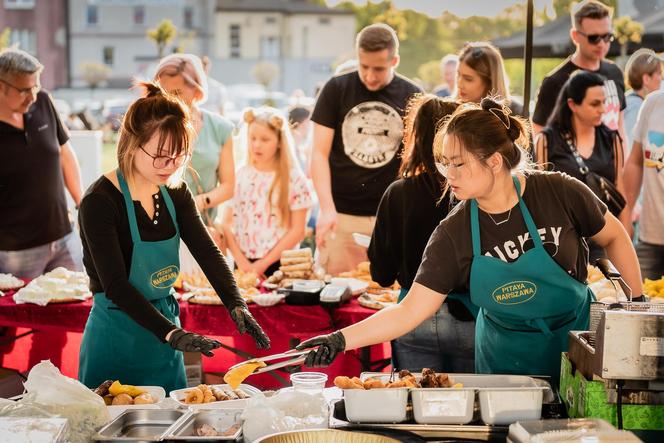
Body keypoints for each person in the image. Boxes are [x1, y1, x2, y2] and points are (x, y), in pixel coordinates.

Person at [297, 98, 643, 385]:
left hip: (576, 345)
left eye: (459, 164)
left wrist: (637, 305)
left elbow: (613, 236)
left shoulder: (558, 191)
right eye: (445, 163)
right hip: (505, 360)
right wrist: (340, 339)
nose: (449, 175)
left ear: (494, 161)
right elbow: (410, 310)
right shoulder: (455, 231)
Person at [77, 83, 270, 393]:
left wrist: (236, 304)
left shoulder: (175, 191)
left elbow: (206, 250)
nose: (170, 166)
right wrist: (170, 334)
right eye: (161, 157)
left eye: (179, 157)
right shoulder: (100, 201)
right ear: (132, 144)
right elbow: (115, 285)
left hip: (165, 329)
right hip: (117, 333)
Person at [369, 94, 475, 372]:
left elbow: (381, 274)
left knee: (412, 406)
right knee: (469, 406)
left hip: (412, 318)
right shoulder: (474, 195)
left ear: (416, 136)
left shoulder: (398, 194)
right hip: (469, 319)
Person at [311, 23, 421, 276]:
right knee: (335, 298)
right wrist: (326, 209)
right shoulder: (336, 89)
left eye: (379, 69)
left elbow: (418, 161)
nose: (370, 76)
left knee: (386, 299)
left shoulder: (413, 95)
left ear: (395, 60)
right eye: (364, 66)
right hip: (341, 216)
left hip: (391, 217)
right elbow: (318, 153)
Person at [0, 48, 83, 278]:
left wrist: (81, 203)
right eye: (24, 89)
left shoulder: (44, 102)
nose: (33, 96)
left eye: (35, 86)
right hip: (15, 253)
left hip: (64, 239)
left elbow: (65, 154)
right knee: (23, 313)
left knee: (80, 309)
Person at [535, 71, 628, 261]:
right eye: (595, 104)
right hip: (564, 239)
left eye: (604, 102)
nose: (602, 109)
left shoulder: (612, 139)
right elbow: (539, 197)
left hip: (605, 235)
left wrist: (625, 235)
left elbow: (619, 188)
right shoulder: (546, 140)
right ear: (572, 105)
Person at [222, 108, 313, 278]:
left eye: (265, 139)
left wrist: (262, 265)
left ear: (279, 142)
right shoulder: (239, 175)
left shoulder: (294, 179)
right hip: (244, 266)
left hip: (282, 266)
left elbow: (298, 230)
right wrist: (243, 264)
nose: (256, 144)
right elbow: (226, 224)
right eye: (252, 138)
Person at [532, 0, 625, 139]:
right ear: (575, 36)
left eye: (607, 36)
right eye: (593, 38)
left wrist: (623, 159)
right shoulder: (554, 82)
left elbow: (620, 128)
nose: (601, 44)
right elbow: (539, 137)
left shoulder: (614, 72)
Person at [623, 88, 664, 280]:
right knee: (637, 301)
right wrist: (628, 212)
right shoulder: (653, 103)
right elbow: (635, 162)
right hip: (650, 238)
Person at [455, 42, 523, 115]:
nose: (459, 84)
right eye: (458, 75)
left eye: (468, 79)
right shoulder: (448, 110)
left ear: (489, 82)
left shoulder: (515, 112)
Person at [623, 49, 662, 155]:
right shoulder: (636, 107)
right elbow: (631, 151)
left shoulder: (631, 101)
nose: (661, 78)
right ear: (646, 79)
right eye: (659, 74)